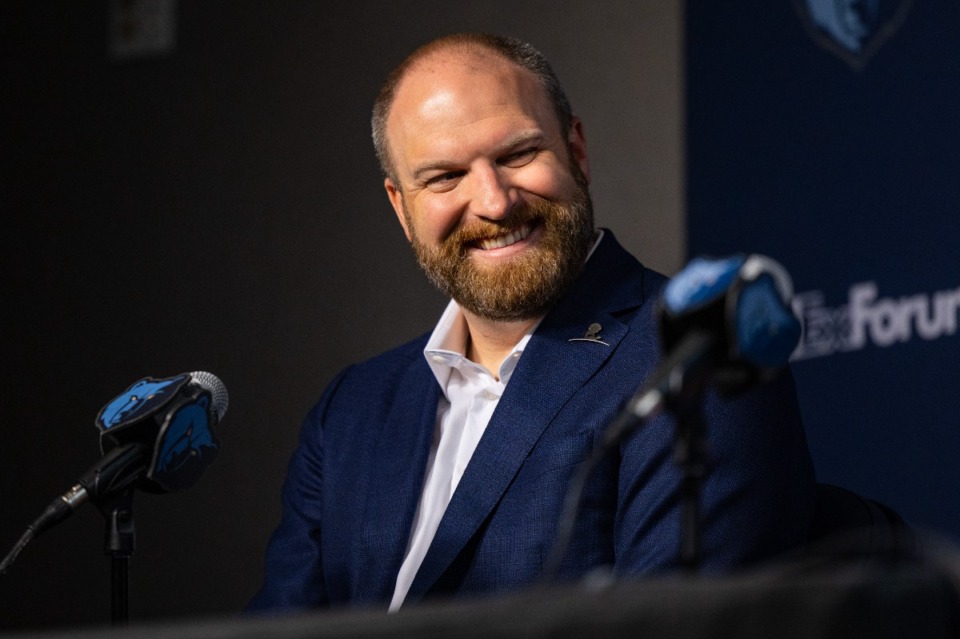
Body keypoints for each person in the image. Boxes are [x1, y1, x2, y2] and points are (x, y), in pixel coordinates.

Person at [248, 32, 816, 613]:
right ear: (401, 206)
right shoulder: (351, 410)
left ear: (577, 151)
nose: (494, 203)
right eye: (445, 177)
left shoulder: (699, 362)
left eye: (517, 155)